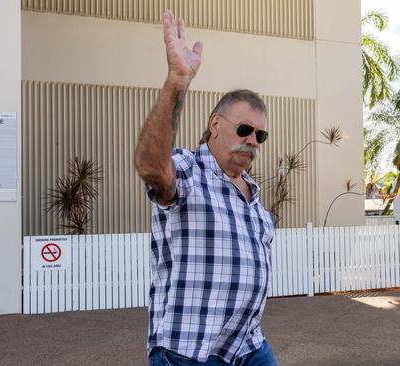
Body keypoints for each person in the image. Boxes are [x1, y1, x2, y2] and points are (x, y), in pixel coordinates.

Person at [134, 10, 278, 366]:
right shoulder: (189, 169)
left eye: (260, 135)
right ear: (216, 124)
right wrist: (177, 83)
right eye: (244, 129)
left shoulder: (254, 196)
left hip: (247, 346)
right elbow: (152, 167)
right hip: (190, 352)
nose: (253, 141)